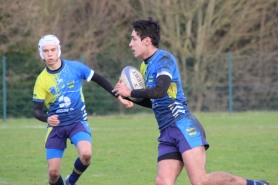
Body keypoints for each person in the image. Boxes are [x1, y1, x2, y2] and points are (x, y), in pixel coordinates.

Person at [112, 17, 269, 185]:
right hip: (166, 132)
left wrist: (130, 91)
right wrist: (130, 97)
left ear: (147, 40)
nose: (130, 44)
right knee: (163, 182)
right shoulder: (145, 66)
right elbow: (155, 101)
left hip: (183, 126)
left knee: (200, 181)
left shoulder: (165, 59)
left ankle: (253, 184)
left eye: (134, 38)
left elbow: (160, 90)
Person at [32, 34, 133, 185]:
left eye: (53, 49)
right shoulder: (41, 80)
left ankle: (71, 181)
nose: (50, 54)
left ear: (58, 50)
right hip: (56, 127)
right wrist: (47, 118)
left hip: (77, 121)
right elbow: (36, 111)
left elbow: (98, 78)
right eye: (46, 51)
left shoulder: (75, 67)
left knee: (86, 154)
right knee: (53, 174)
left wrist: (117, 95)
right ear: (42, 54)